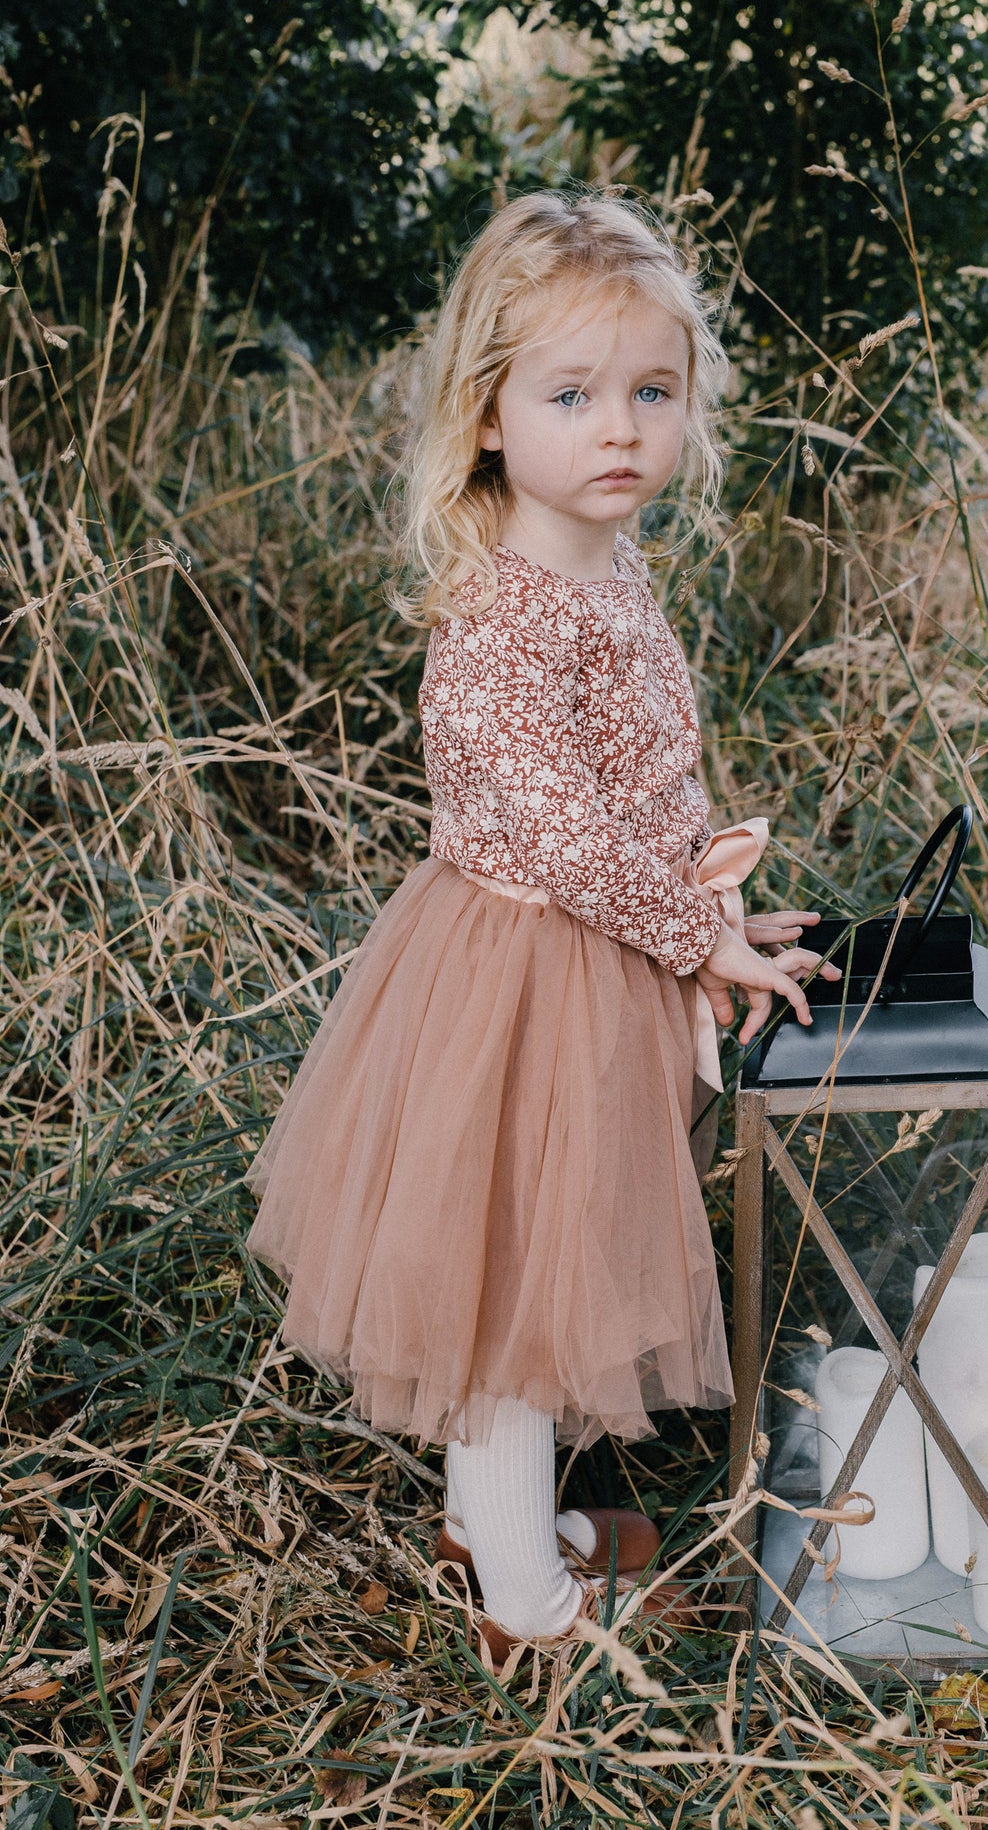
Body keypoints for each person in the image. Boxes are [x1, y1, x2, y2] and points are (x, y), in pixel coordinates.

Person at [245, 189, 837, 1656]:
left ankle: (494, 1512)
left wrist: (717, 895)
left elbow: (637, 785)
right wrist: (697, 938)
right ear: (492, 414)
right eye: (572, 395)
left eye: (652, 390)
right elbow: (564, 836)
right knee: (510, 1274)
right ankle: (519, 1587)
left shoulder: (606, 554)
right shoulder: (502, 612)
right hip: (519, 969)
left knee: (546, 1250)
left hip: (595, 947)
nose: (619, 429)